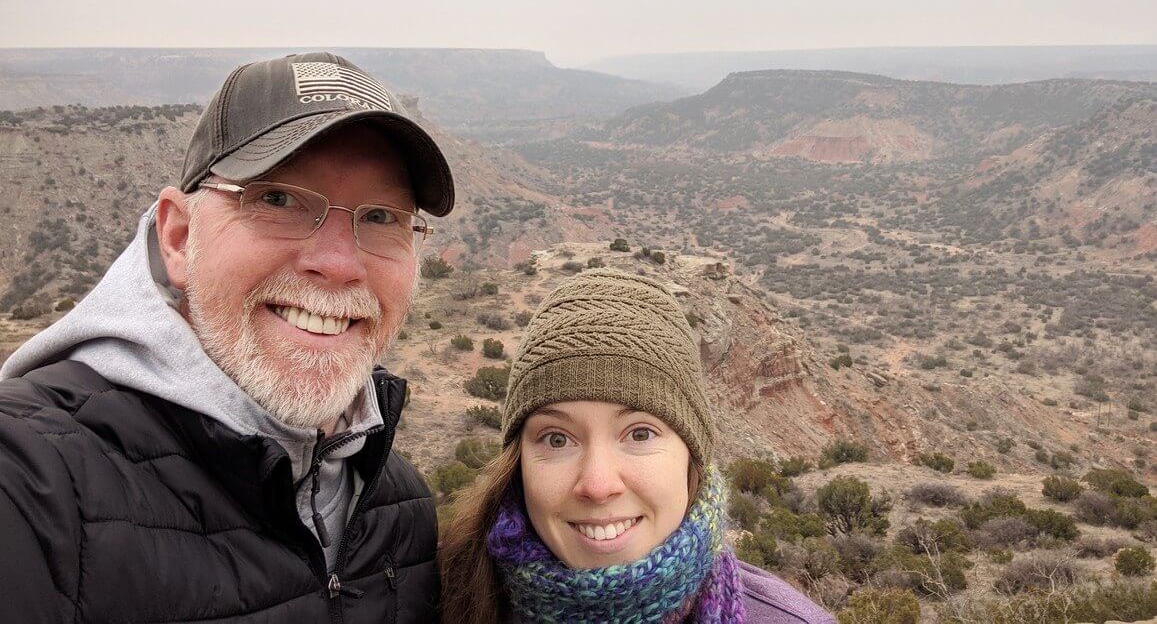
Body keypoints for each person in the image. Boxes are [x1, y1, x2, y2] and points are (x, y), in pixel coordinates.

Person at [0, 53, 452, 622]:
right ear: (179, 236)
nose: (338, 264)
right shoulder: (32, 482)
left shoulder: (399, 506)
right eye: (278, 199)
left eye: (382, 217)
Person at [439, 270, 835, 623]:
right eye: (557, 439)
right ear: (518, 462)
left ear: (692, 454)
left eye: (640, 434)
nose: (597, 484)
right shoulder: (430, 598)